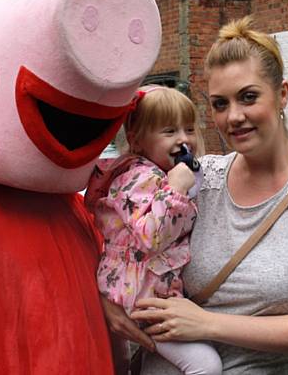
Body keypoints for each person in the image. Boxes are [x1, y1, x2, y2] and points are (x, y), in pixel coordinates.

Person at [102, 17, 288, 374]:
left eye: (248, 97)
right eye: (220, 104)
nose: (234, 117)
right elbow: (121, 231)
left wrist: (207, 323)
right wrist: (108, 301)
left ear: (283, 94)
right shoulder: (197, 177)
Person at [85, 86, 222, 375]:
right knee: (206, 365)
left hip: (144, 291)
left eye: (188, 129)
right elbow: (151, 236)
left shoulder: (158, 173)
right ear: (136, 139)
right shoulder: (139, 177)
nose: (184, 139)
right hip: (140, 297)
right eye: (169, 131)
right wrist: (176, 188)